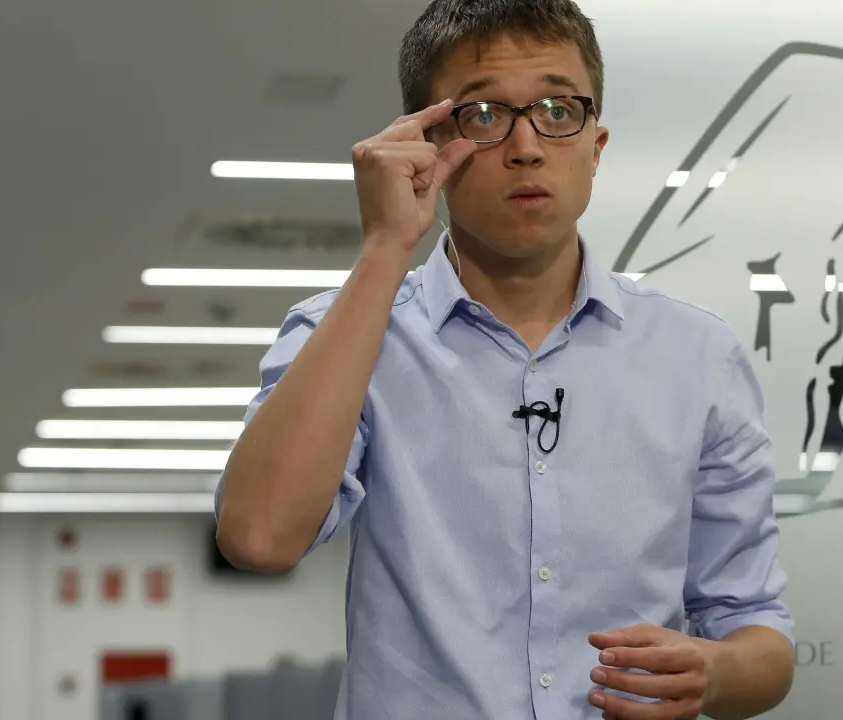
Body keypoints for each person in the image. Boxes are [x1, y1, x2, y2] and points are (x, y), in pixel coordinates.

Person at [216, 1, 795, 717]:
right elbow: (259, 537)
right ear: (428, 143)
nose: (527, 146)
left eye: (558, 110)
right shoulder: (348, 334)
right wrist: (385, 248)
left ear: (596, 146)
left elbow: (758, 632)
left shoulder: (697, 355)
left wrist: (714, 672)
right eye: (485, 114)